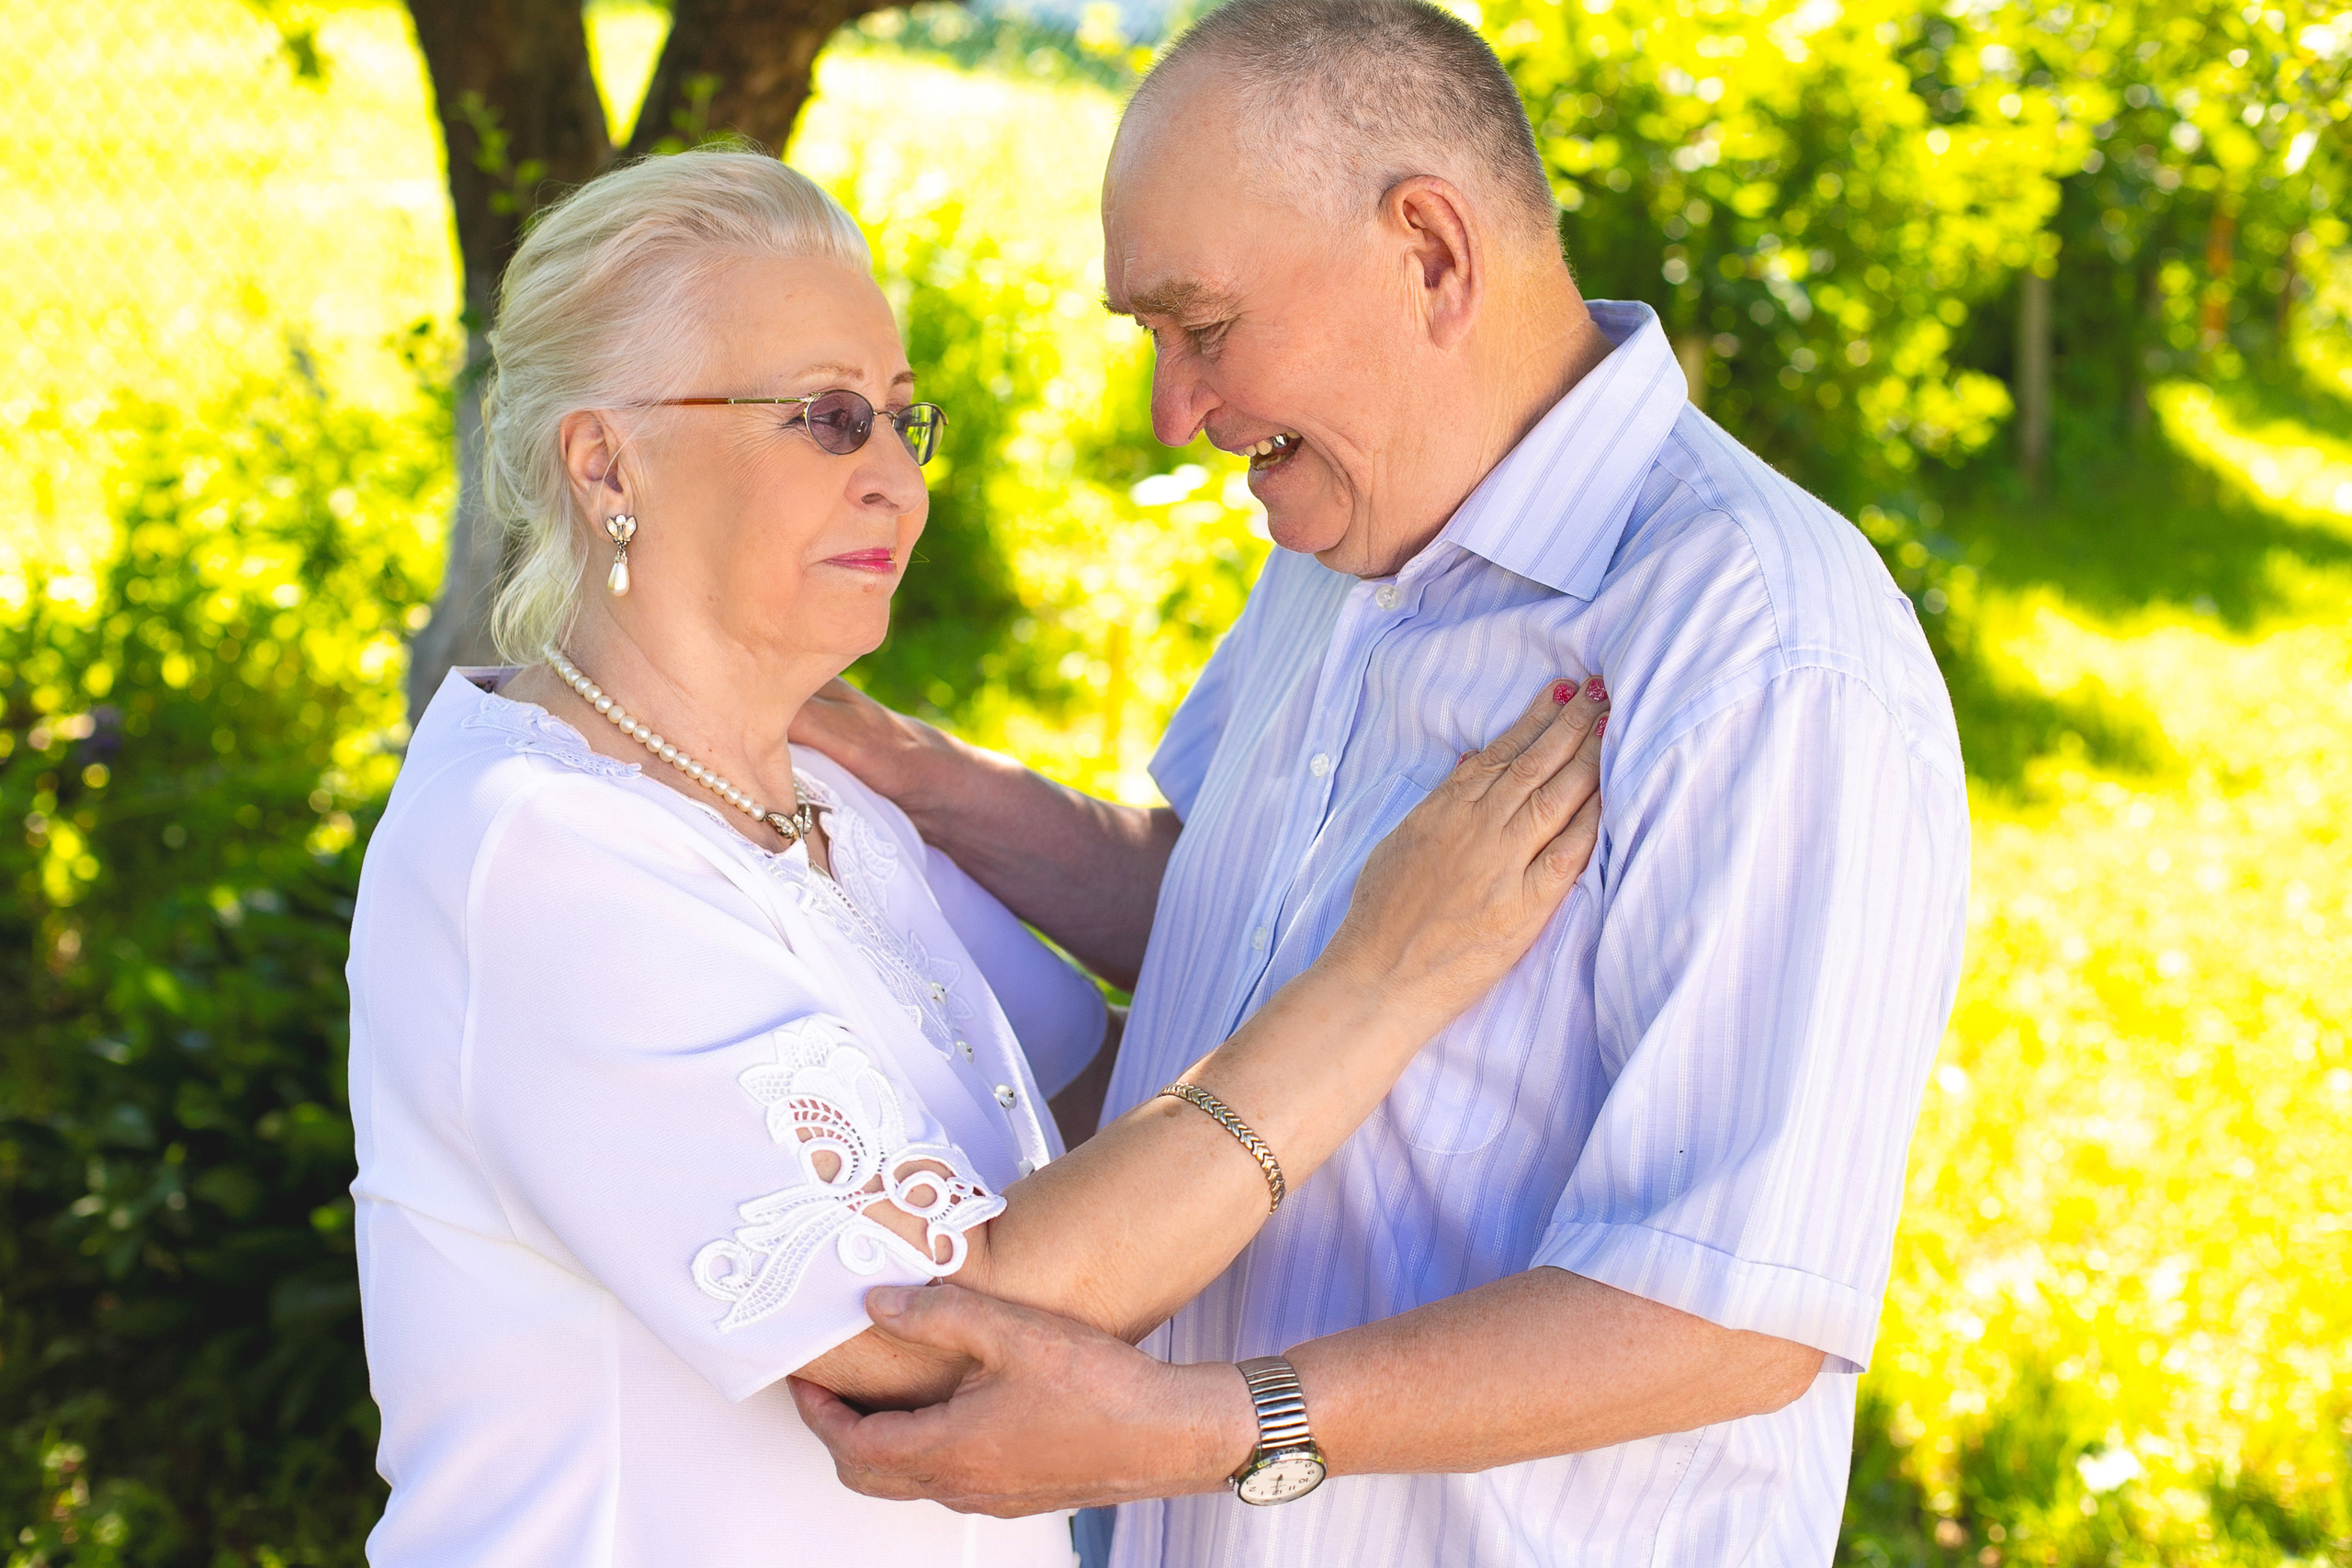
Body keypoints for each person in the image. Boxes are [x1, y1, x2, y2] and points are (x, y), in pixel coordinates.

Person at [786, 1, 1973, 1562]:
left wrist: (1205, 1433)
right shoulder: (1350, 531)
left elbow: (1726, 1310)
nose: (1174, 414)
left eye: (1201, 328)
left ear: (1429, 253)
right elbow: (1216, 912)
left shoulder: (1762, 652)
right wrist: (890, 760)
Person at [344, 146, 1611, 1567]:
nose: (897, 482)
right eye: (826, 420)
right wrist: (1383, 979)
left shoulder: (824, 806)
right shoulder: (535, 855)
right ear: (604, 461)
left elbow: (1115, 1106)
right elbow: (948, 1336)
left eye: (897, 419)